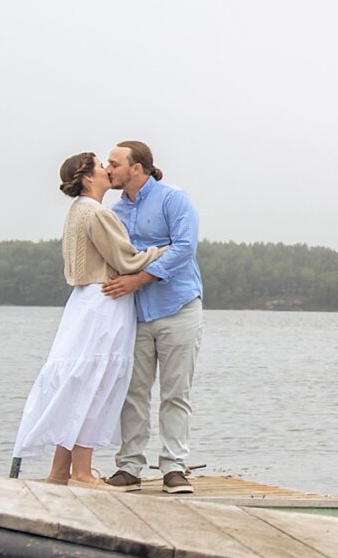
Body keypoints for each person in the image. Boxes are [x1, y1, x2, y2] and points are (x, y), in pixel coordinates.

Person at [12, 152, 162, 487]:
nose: (108, 170)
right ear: (86, 178)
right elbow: (127, 260)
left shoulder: (76, 211)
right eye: (100, 166)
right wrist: (165, 252)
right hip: (104, 304)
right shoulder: (97, 213)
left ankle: (59, 472)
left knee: (79, 380)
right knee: (95, 381)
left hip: (82, 303)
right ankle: (81, 472)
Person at [101, 140, 204, 492]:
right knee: (134, 392)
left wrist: (139, 279)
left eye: (114, 163)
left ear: (137, 168)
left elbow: (185, 247)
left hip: (179, 308)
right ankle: (129, 467)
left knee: (176, 392)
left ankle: (174, 468)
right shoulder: (115, 212)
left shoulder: (174, 198)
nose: (108, 169)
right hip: (136, 315)